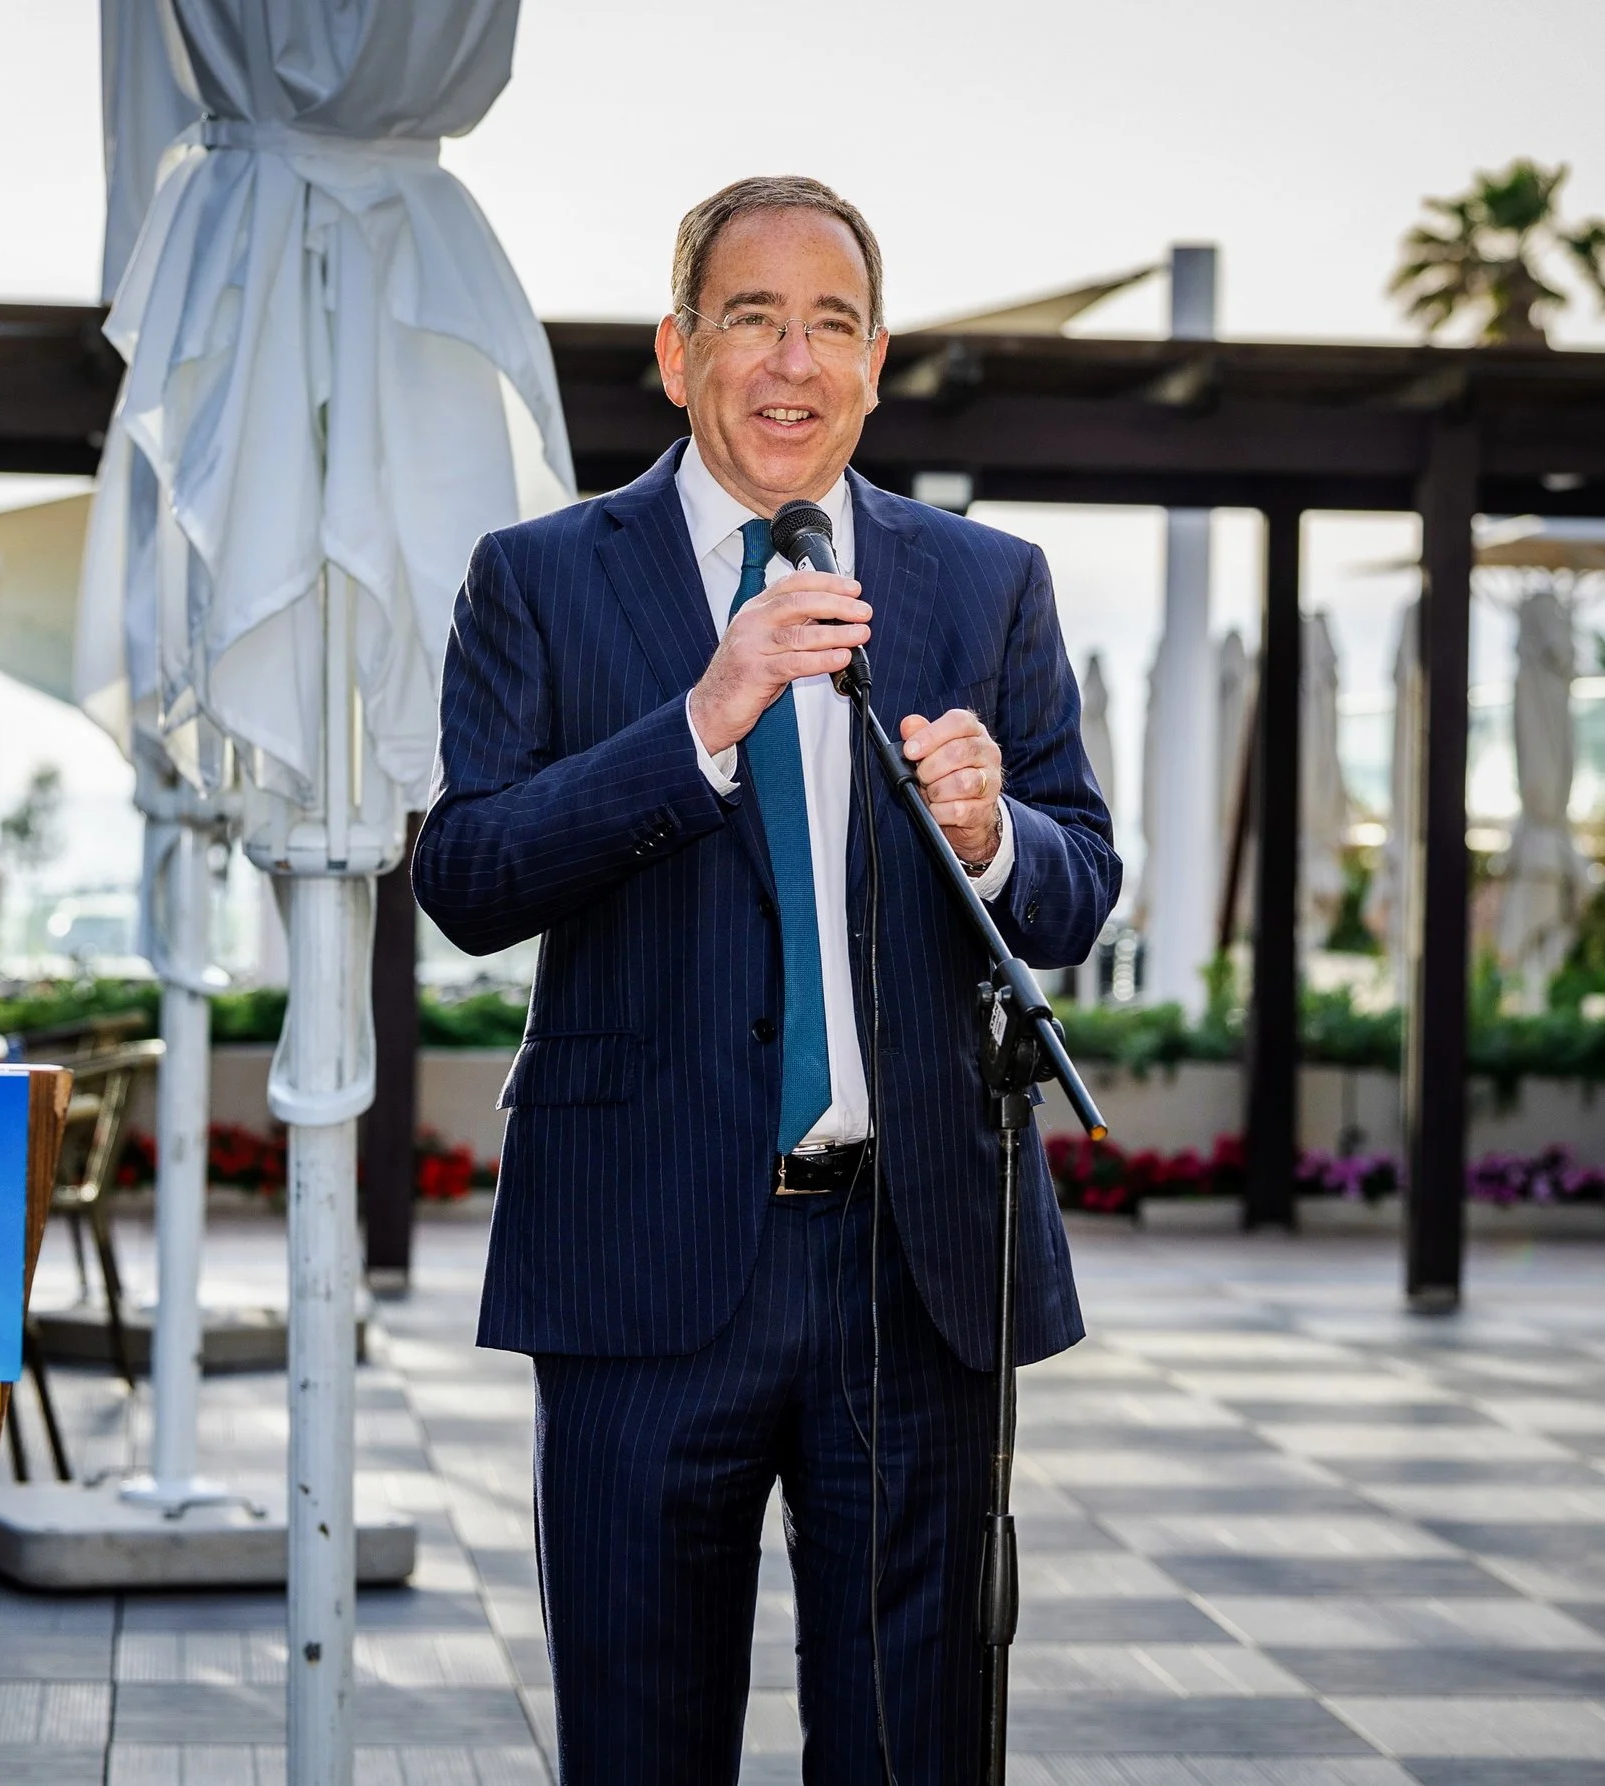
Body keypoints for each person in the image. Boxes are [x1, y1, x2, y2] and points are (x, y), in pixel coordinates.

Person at [411, 176, 1120, 1783]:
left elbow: (1079, 879)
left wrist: (993, 833)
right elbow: (465, 875)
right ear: (678, 353)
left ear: (877, 362)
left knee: (914, 1748)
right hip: (641, 1259)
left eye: (832, 324)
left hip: (916, 1263)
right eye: (753, 318)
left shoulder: (986, 581)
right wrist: (697, 724)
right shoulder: (538, 577)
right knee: (642, 1748)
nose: (794, 361)